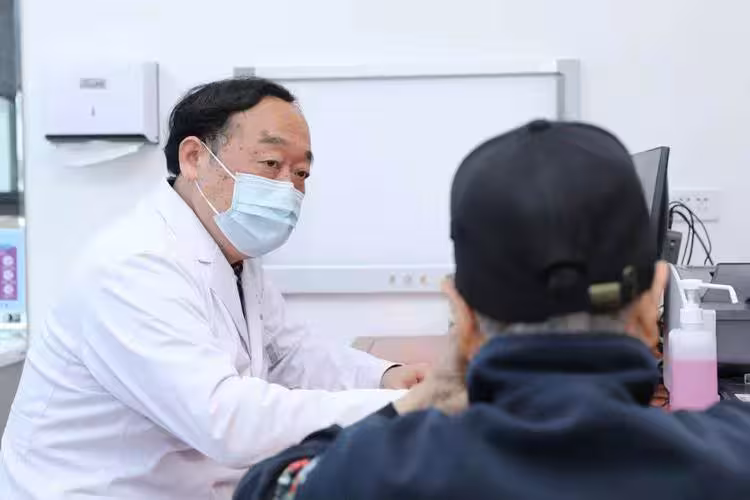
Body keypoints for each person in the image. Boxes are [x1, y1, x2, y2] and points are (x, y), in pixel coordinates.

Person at [234, 120, 750, 500]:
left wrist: (418, 402)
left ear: (462, 315)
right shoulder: (734, 457)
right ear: (653, 300)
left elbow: (268, 484)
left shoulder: (368, 474)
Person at [0, 77, 428, 500]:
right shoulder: (132, 265)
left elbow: (290, 354)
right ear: (194, 158)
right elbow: (224, 419)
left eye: (301, 173)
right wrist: (396, 407)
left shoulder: (234, 254)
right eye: (270, 163)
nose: (289, 188)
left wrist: (384, 377)